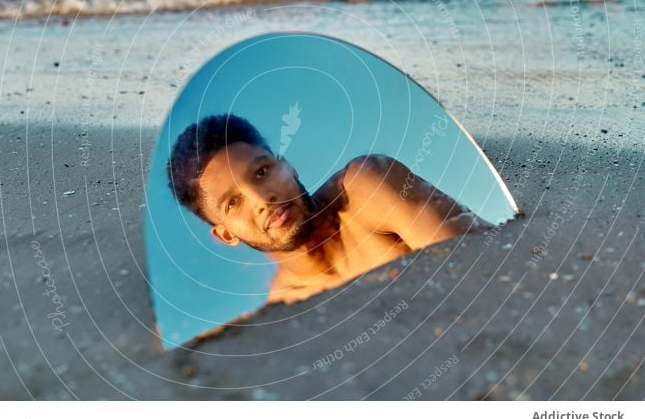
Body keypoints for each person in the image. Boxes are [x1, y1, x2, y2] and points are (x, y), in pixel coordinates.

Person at [166, 114, 485, 305]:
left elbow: (483, 271)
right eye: (233, 202)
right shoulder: (286, 306)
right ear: (225, 234)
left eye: (262, 172)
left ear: (287, 166)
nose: (263, 199)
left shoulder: (367, 186)